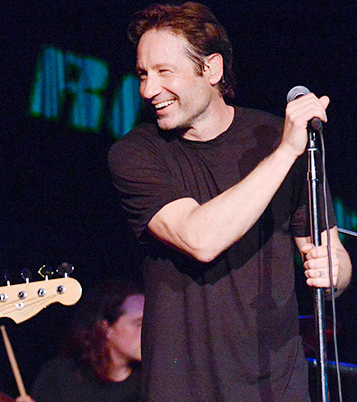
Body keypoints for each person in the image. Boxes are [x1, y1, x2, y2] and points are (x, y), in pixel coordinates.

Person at [108, 3, 351, 401]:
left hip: (277, 388)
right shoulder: (136, 154)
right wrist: (285, 152)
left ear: (212, 69)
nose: (148, 89)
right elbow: (199, 238)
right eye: (143, 74)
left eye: (164, 72)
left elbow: (330, 255)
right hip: (182, 390)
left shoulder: (275, 138)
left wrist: (334, 273)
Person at [16, 280, 143, 402]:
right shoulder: (61, 376)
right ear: (105, 328)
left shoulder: (148, 382)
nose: (148, 331)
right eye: (139, 323)